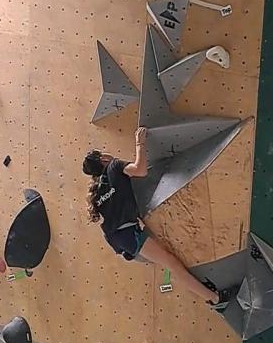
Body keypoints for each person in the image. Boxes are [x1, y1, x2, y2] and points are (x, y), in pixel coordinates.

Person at [83, 129, 235, 310]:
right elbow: (140, 170)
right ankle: (215, 299)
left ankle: (211, 296)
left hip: (118, 239)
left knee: (167, 261)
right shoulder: (113, 166)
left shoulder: (96, 191)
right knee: (171, 263)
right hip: (128, 234)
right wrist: (140, 143)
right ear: (103, 159)